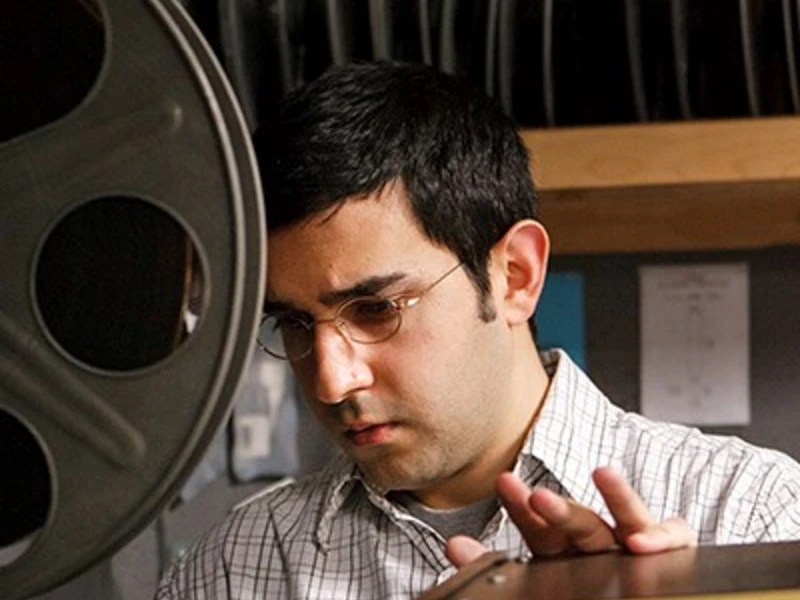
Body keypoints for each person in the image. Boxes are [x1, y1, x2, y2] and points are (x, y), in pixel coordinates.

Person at [156, 61, 800, 599]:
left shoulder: (756, 515)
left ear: (515, 276)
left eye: (377, 309)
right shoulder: (230, 571)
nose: (329, 379)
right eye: (295, 323)